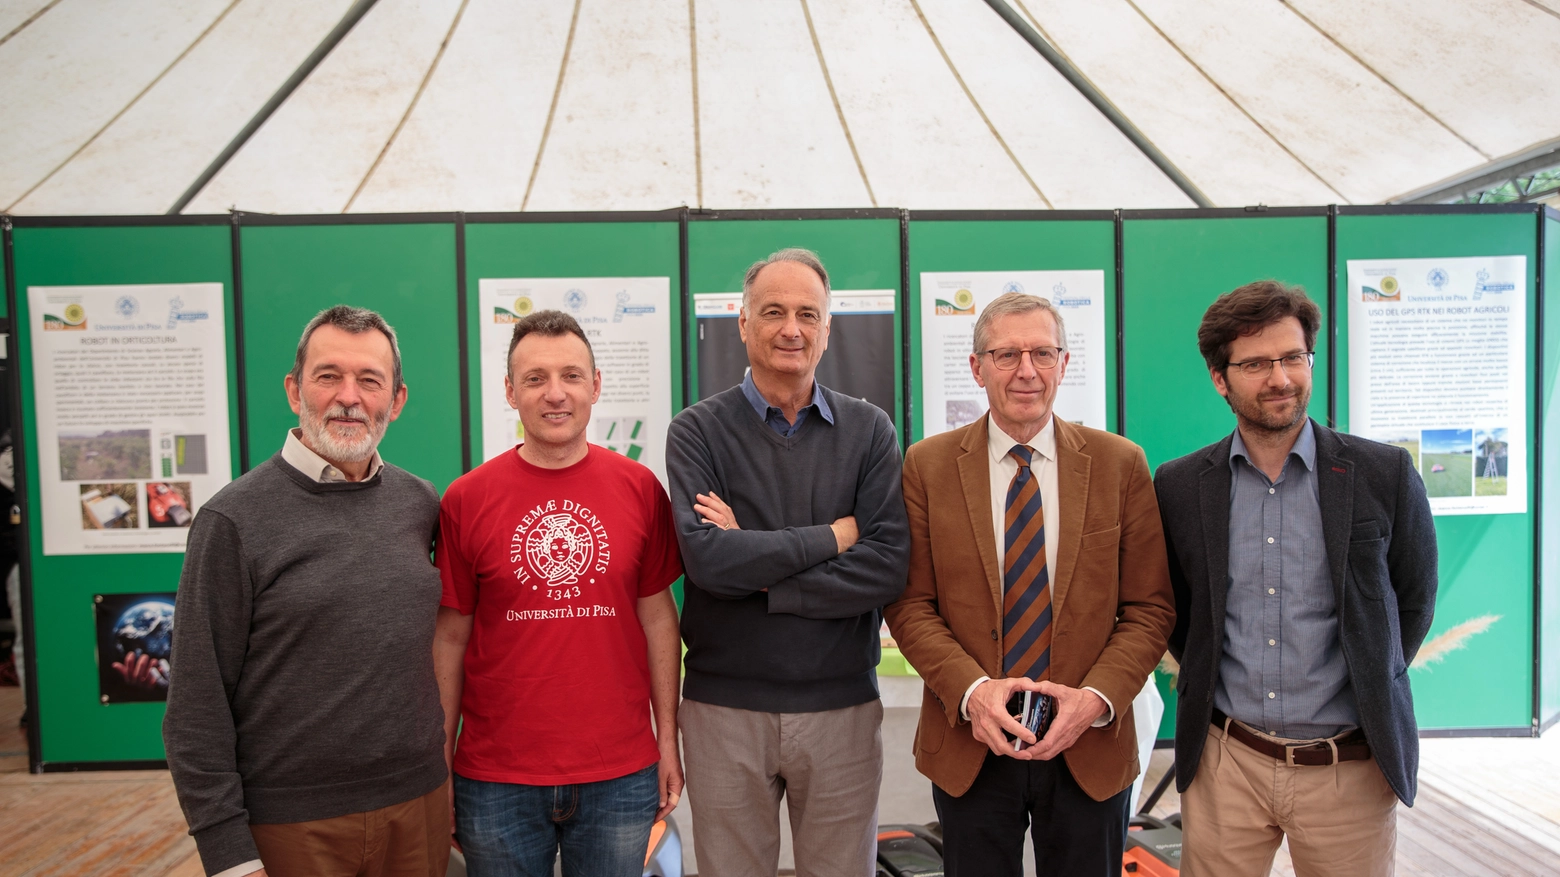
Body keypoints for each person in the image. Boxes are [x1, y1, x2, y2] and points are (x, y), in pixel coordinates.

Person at [884, 291, 1174, 877]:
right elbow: (910, 605)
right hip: (973, 742)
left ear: (1064, 364)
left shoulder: (1120, 464)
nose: (1026, 370)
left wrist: (1092, 702)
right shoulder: (927, 465)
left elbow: (1149, 609)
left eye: (1043, 353)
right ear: (976, 367)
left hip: (1087, 745)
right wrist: (972, 692)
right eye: (1006, 354)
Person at [1154, 280, 1437, 876]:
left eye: (1292, 358)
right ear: (1220, 377)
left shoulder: (1382, 474)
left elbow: (1411, 604)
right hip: (1226, 763)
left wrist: (1367, 674)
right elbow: (1178, 613)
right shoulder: (1180, 486)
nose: (1279, 378)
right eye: (1256, 363)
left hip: (1348, 771)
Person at [165, 306, 449, 877]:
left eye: (370, 380)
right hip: (291, 826)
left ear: (396, 401)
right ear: (296, 390)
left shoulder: (420, 505)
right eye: (328, 376)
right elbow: (196, 703)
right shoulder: (232, 519)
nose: (349, 397)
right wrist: (228, 855)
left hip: (418, 808)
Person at [666, 248, 910, 877]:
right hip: (724, 713)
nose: (790, 328)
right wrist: (832, 537)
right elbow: (710, 563)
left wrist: (762, 572)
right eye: (772, 311)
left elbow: (886, 567)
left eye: (808, 313)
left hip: (842, 711)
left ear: (828, 330)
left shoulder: (871, 431)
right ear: (742, 324)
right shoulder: (695, 431)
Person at [433, 310, 683, 877]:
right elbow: (449, 637)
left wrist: (668, 740)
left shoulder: (640, 489)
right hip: (495, 779)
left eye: (571, 375)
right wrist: (440, 762)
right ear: (509, 391)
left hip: (620, 774)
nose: (555, 394)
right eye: (535, 378)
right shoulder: (466, 499)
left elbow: (659, 622)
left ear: (595, 386)